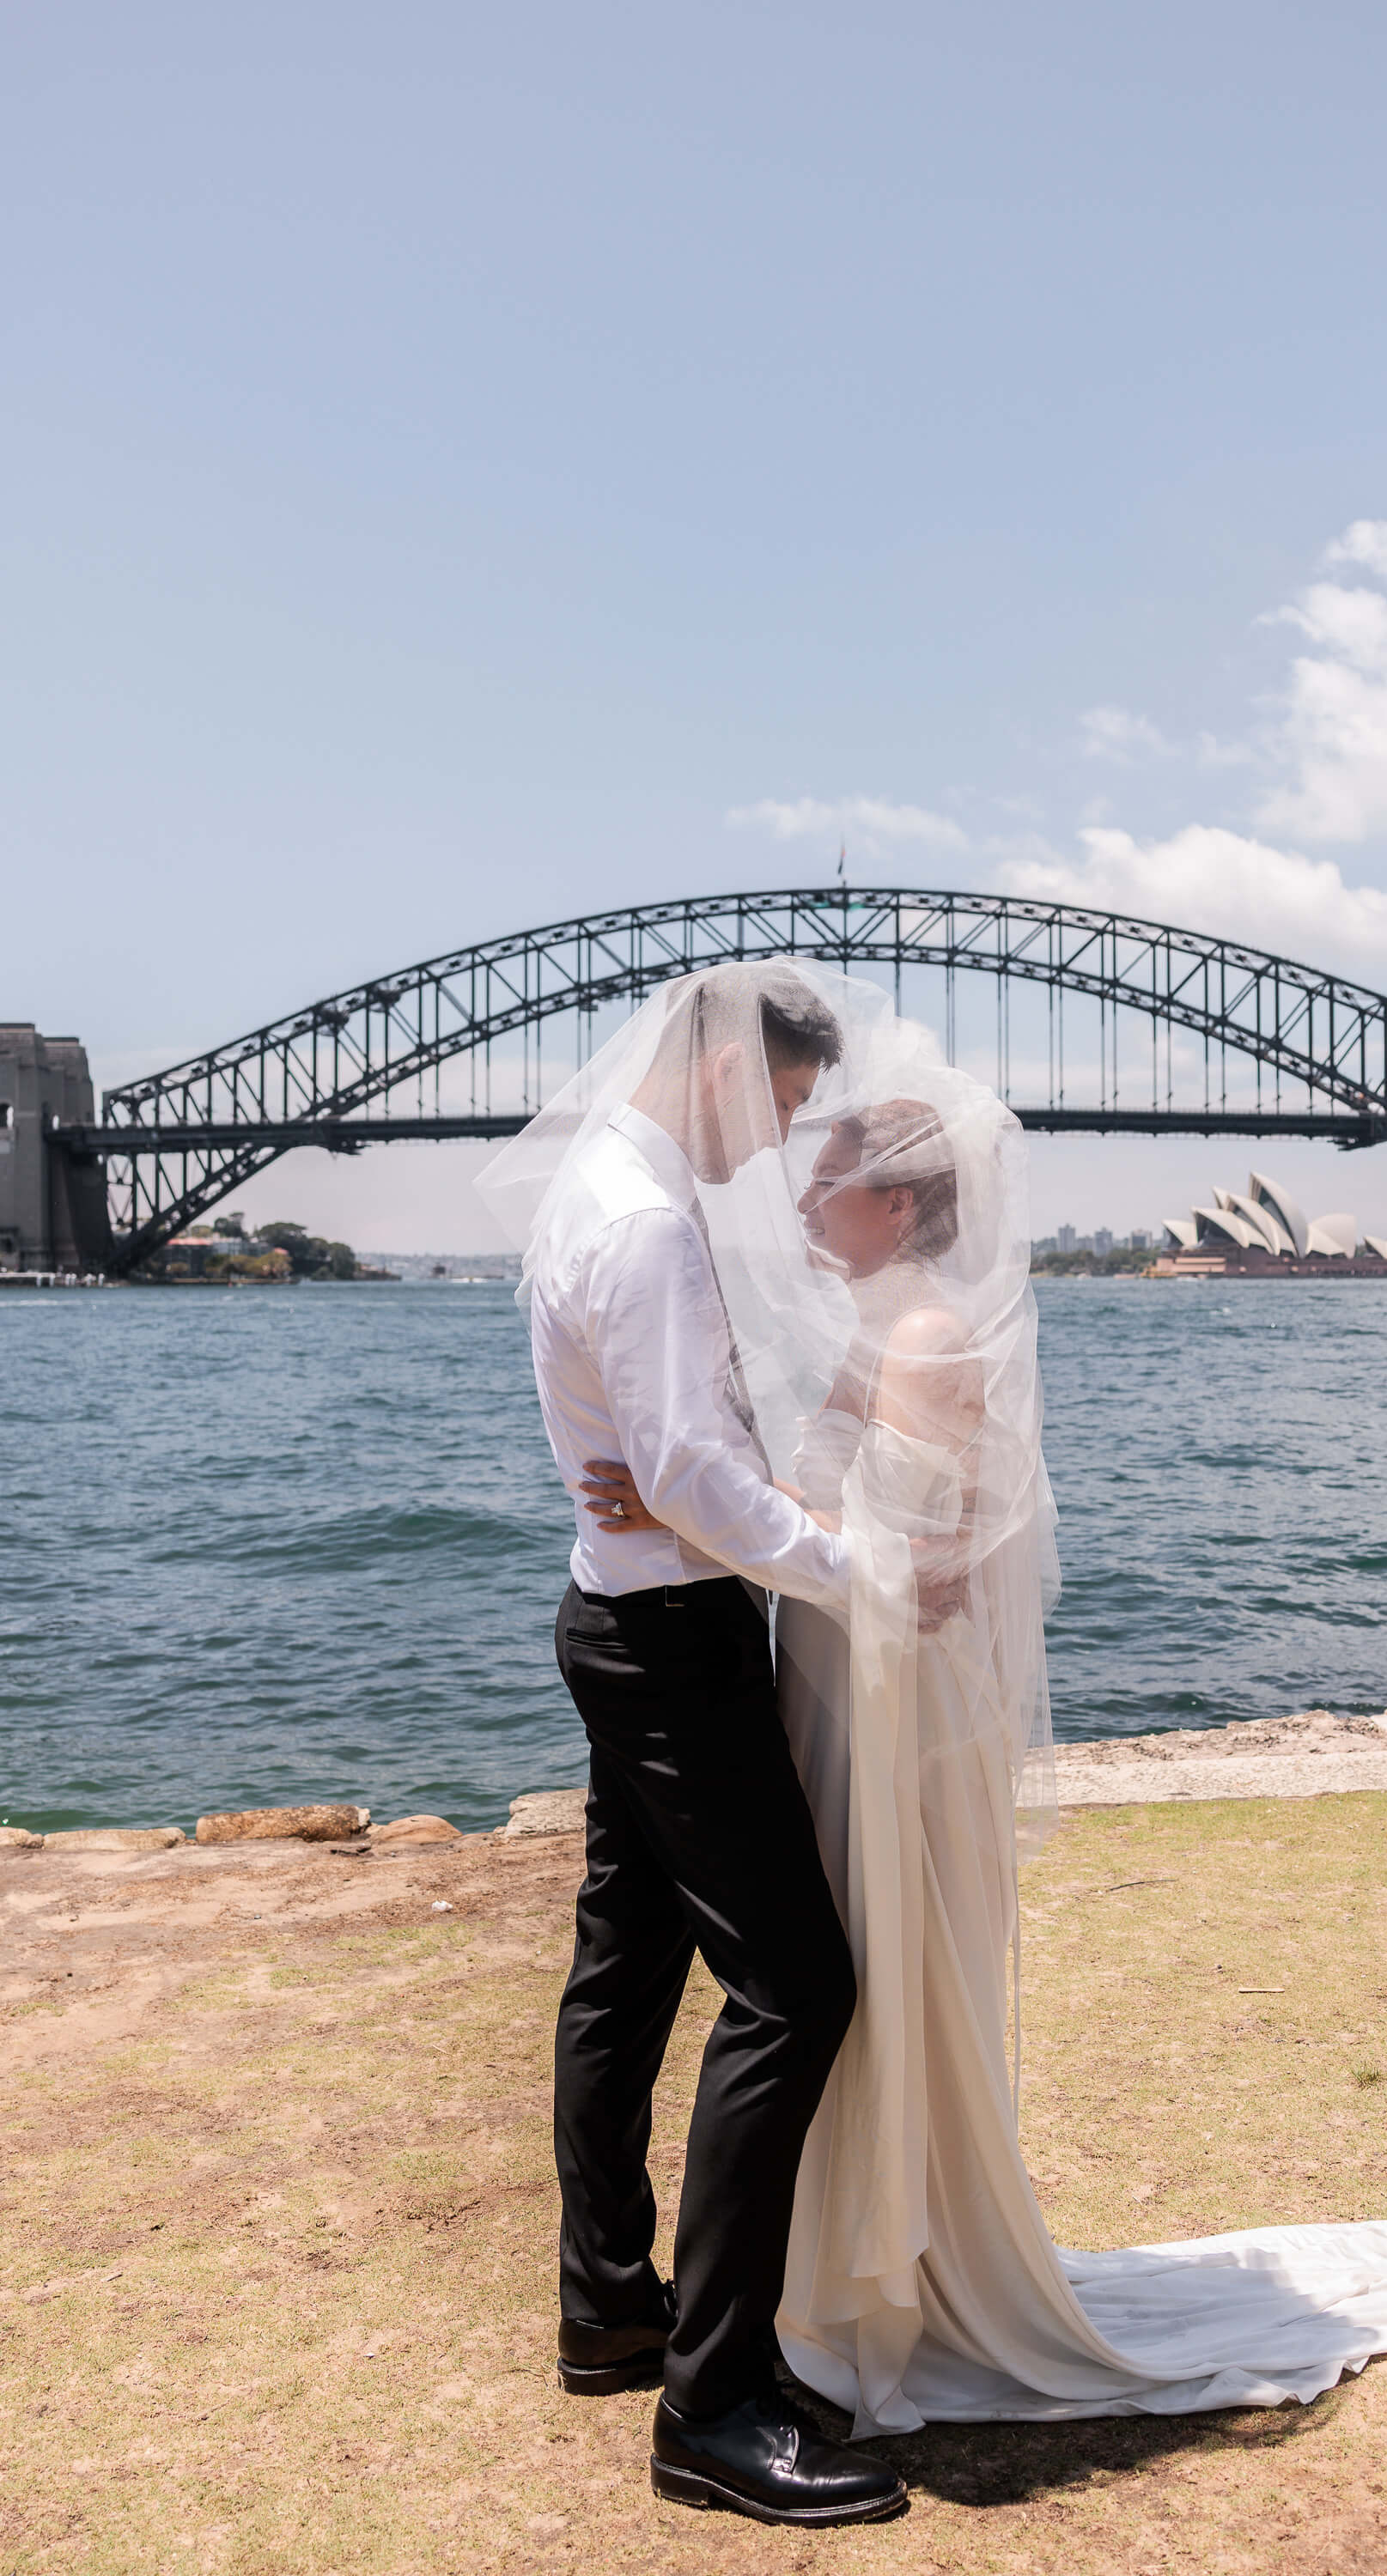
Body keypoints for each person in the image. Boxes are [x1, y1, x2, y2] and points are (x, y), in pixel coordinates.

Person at [582, 963, 1387, 2444]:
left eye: (828, 1176)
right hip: (835, 1676)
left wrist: (704, 1516)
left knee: (880, 1956)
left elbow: (932, 1573)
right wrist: (686, 1502)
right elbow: (806, 1507)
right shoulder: (879, 1326)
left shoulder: (931, 1340)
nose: (800, 1197)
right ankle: (840, 2268)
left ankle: (907, 2268)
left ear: (896, 1205)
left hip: (885, 1703)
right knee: (839, 1963)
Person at [476, 962, 908, 2529]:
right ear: (728, 1066)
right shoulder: (650, 1219)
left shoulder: (599, 1185)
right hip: (673, 1646)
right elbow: (685, 1470)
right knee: (799, 1988)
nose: (783, 1142)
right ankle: (710, 2406)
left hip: (617, 1620)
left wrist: (690, 1485)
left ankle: (609, 2305)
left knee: (628, 1967)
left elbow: (664, 1460)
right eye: (786, 1105)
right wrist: (869, 1578)